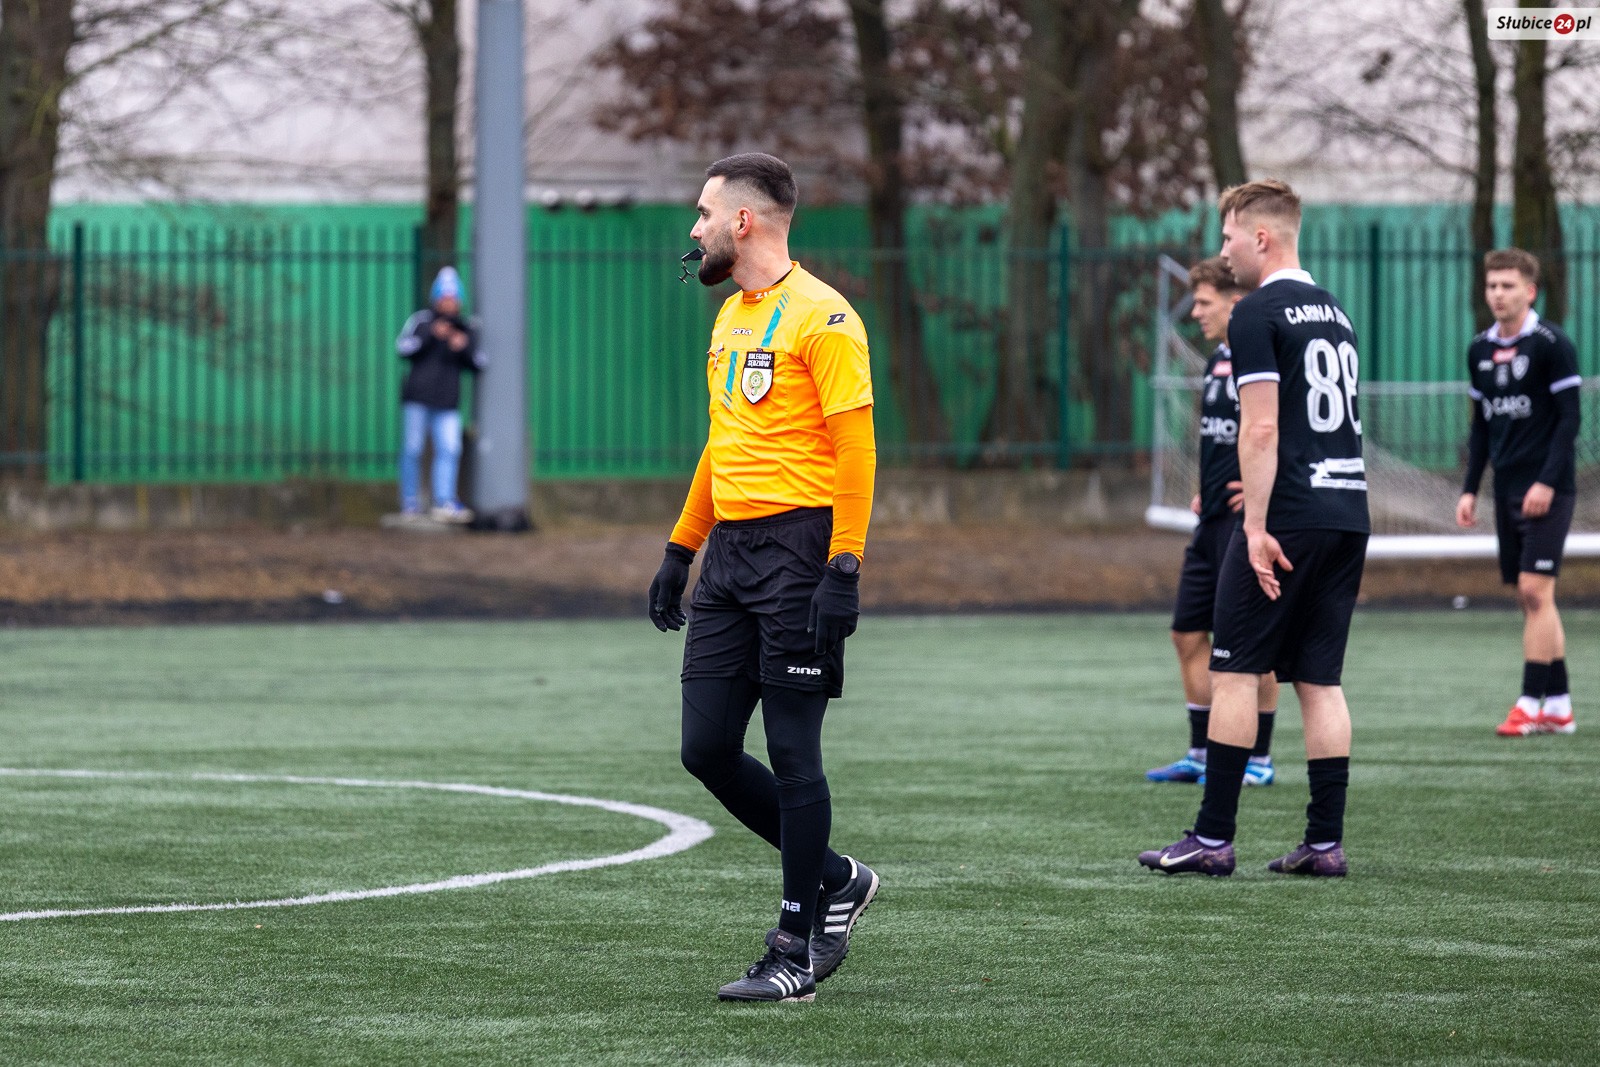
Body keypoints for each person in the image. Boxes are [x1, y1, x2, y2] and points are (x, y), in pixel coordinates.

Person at [647, 153, 880, 1003]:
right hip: (731, 555)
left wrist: (844, 564)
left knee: (791, 749)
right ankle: (840, 878)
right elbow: (724, 443)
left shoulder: (826, 317)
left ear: (743, 221)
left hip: (800, 552)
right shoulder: (730, 318)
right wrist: (682, 548)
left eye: (704, 213)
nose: (696, 228)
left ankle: (794, 946)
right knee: (705, 747)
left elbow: (856, 449)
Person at [1139, 179, 1369, 879]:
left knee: (1234, 670)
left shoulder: (1257, 312)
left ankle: (1212, 839)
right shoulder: (1335, 311)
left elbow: (1261, 428)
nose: (1224, 249)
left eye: (1228, 235)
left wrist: (1257, 525)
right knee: (1320, 680)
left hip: (1289, 515)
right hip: (1347, 510)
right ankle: (1324, 843)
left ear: (1261, 237)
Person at [1147, 257, 1280, 787]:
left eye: (1204, 302)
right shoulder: (1217, 361)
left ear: (1235, 302)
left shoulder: (1262, 358)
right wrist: (1209, 483)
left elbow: (1280, 428)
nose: (1196, 312)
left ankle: (1259, 760)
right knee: (1186, 632)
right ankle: (1201, 752)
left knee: (1247, 642)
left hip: (1247, 522)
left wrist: (1266, 489)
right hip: (1211, 522)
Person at [1456, 249, 1582, 737]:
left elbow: (1569, 420)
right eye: (1492, 285)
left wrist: (1547, 482)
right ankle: (1560, 707)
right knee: (1533, 598)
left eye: (1507, 286)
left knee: (1534, 590)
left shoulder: (1552, 344)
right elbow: (1481, 428)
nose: (1498, 294)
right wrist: (1470, 489)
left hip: (1549, 489)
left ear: (1530, 291)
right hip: (1506, 490)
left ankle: (1530, 703)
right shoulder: (1479, 350)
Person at [396, 266, 483, 522]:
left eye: (453, 297)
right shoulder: (422, 321)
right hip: (418, 398)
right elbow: (403, 348)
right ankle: (410, 502)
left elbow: (479, 363)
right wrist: (431, 335)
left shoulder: (466, 327)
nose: (448, 302)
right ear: (436, 298)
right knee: (412, 449)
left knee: (449, 449)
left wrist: (463, 347)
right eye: (444, 297)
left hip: (447, 402)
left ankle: (443, 501)